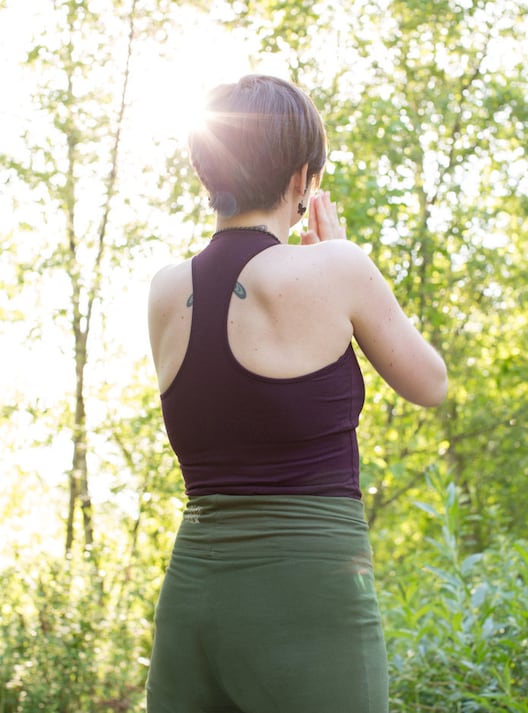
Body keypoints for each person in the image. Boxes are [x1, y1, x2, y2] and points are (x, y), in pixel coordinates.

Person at [146, 74, 447, 713]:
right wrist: (340, 254)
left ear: (209, 172)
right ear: (302, 177)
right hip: (307, 591)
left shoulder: (166, 290)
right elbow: (430, 383)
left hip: (192, 592)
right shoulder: (336, 267)